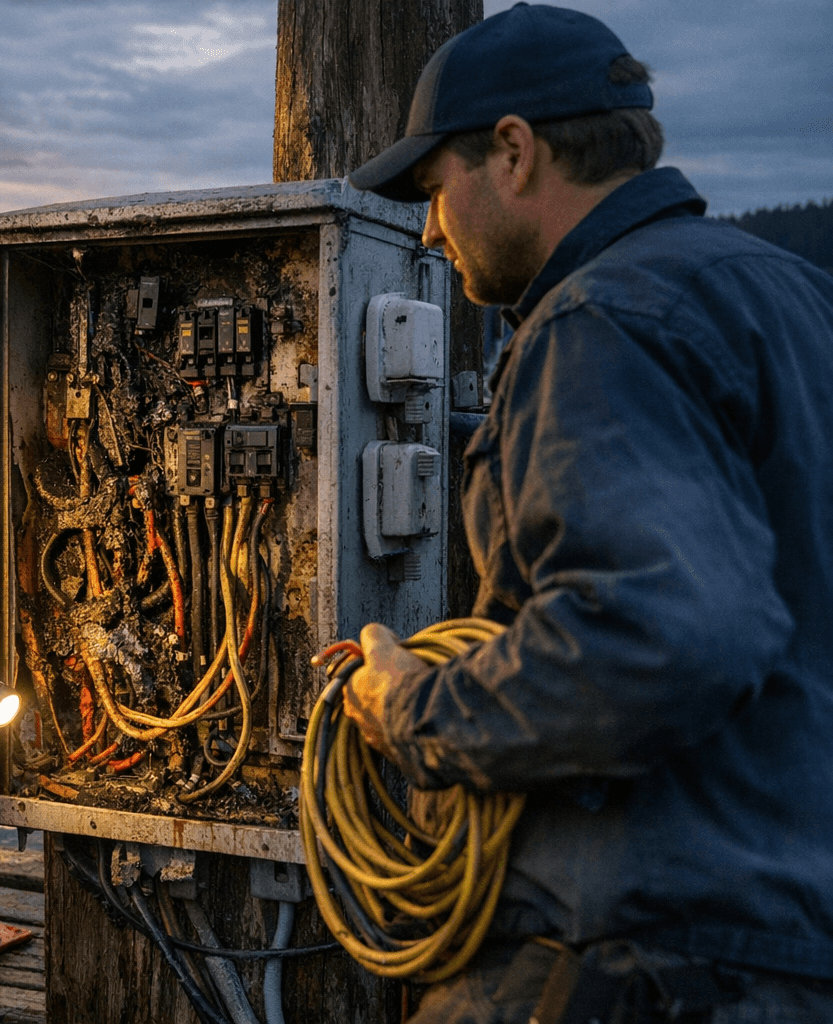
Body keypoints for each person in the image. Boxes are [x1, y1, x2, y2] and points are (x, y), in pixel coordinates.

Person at [342, 4, 833, 1022]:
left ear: (514, 151)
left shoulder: (598, 321)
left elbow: (657, 635)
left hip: (641, 954)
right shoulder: (796, 299)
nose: (430, 229)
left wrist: (412, 707)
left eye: (437, 190)